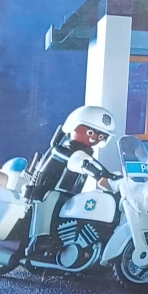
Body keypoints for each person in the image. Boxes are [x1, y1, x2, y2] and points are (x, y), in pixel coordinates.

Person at [23, 105, 117, 257]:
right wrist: (91, 169)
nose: (94, 138)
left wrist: (111, 177)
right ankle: (37, 242)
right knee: (49, 204)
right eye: (91, 132)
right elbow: (76, 160)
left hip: (70, 195)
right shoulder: (60, 150)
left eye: (101, 136)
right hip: (46, 192)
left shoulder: (87, 156)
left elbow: (93, 166)